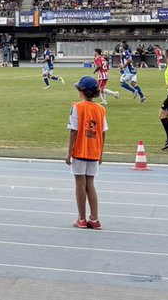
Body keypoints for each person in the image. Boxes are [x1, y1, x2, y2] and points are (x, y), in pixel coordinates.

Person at [67, 75, 107, 229]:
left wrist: (69, 152)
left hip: (80, 149)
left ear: (82, 91)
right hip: (94, 150)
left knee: (80, 183)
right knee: (90, 183)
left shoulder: (77, 107)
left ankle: (82, 218)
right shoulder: (101, 109)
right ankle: (95, 219)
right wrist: (100, 153)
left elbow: (73, 130)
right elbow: (103, 132)